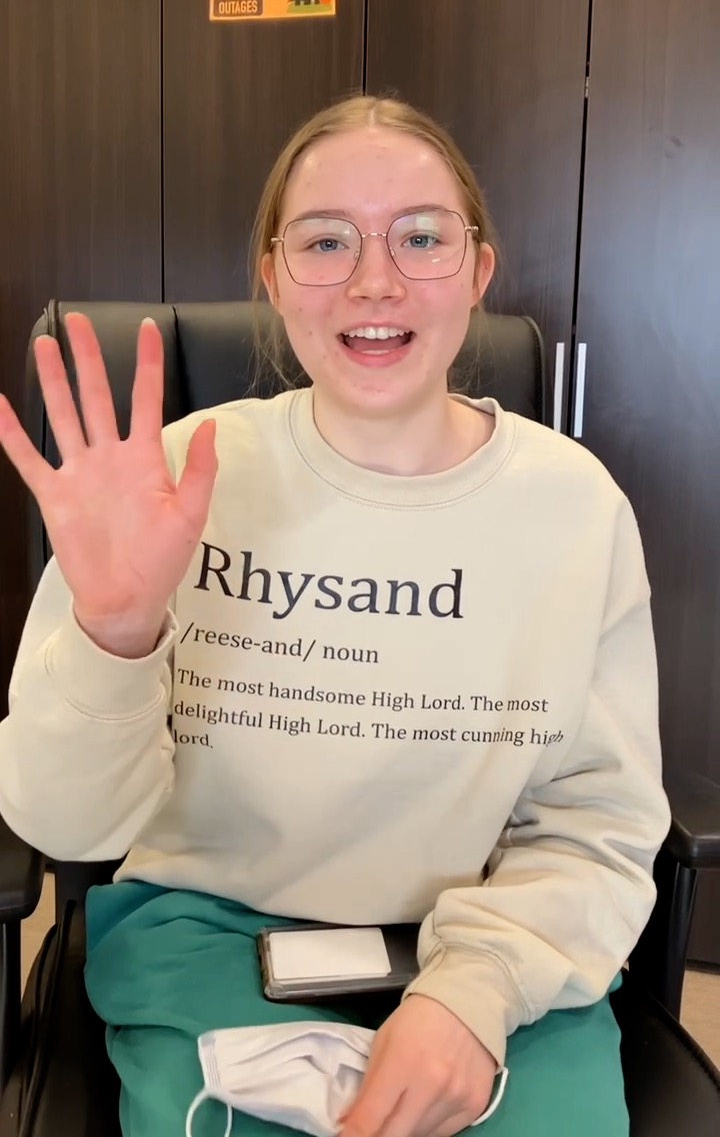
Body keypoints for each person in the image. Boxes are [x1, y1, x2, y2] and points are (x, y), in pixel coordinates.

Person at [0, 94, 670, 1137]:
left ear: (479, 269)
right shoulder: (175, 478)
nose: (375, 279)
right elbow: (60, 826)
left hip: (497, 944)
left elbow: (598, 819)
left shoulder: (575, 506)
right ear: (271, 277)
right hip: (208, 938)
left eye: (421, 236)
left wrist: (473, 990)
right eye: (325, 240)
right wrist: (116, 631)